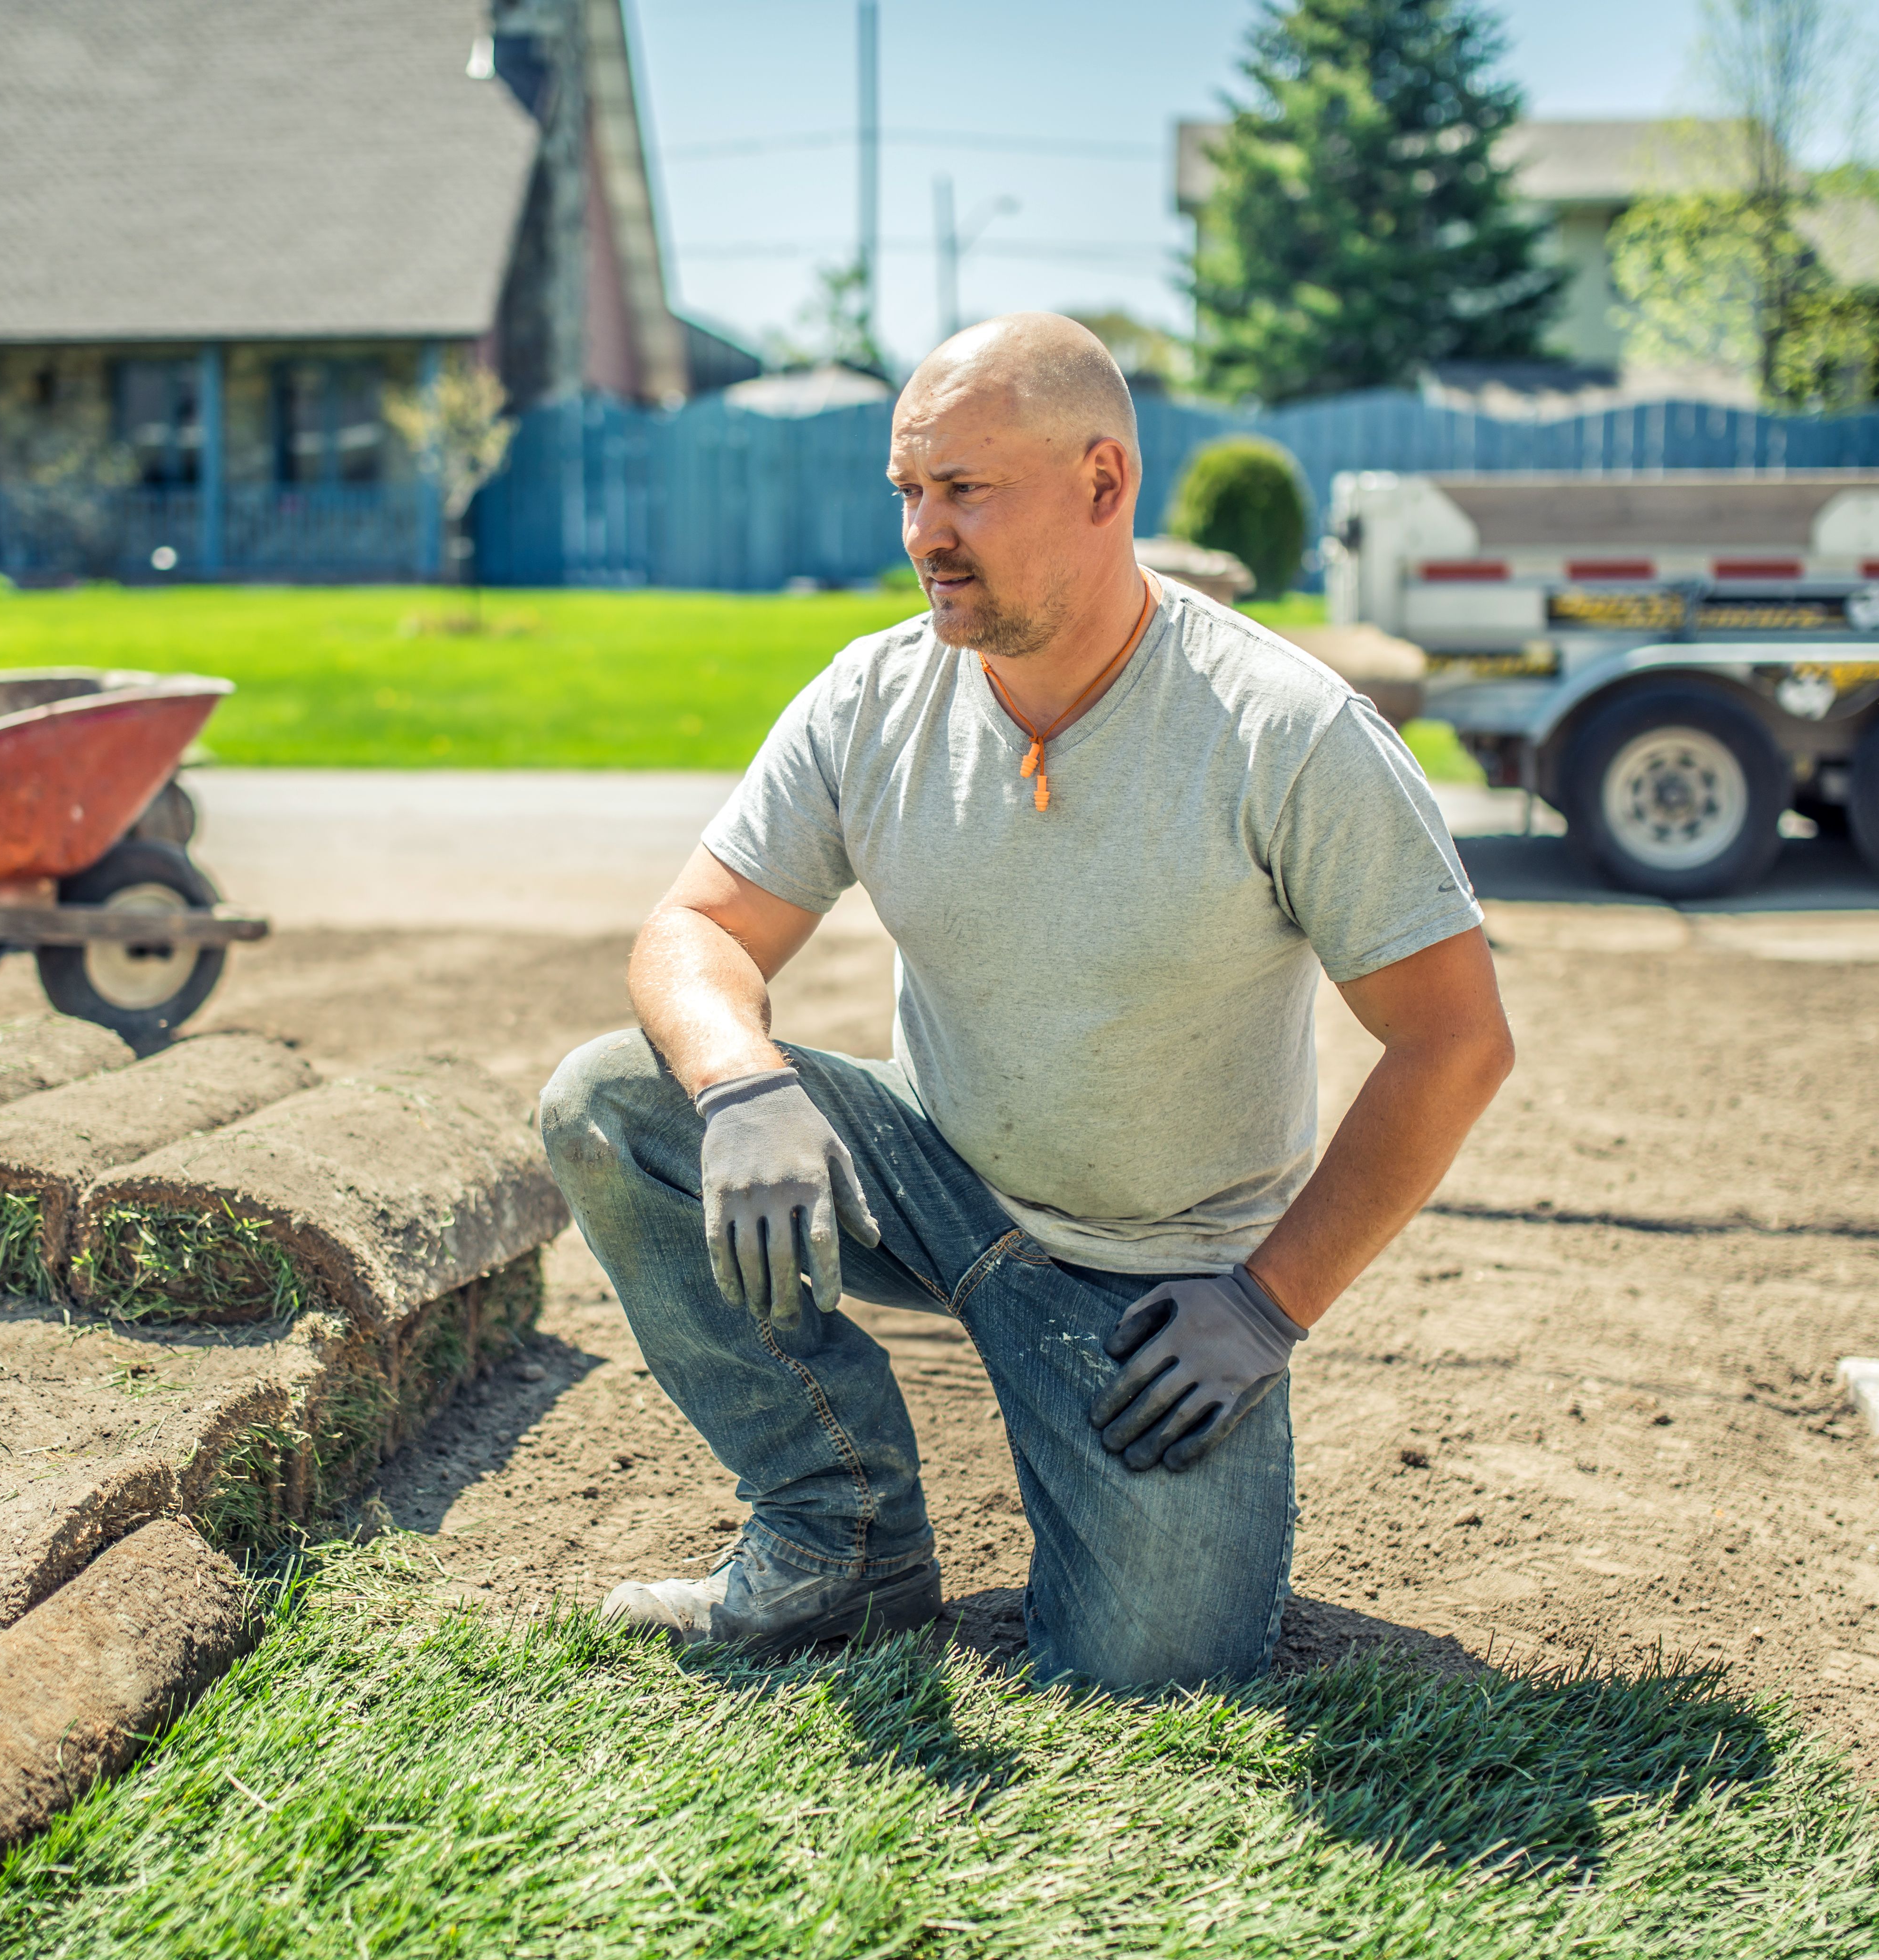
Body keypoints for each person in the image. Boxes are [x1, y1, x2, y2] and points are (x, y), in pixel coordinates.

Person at [537, 312, 1515, 1690]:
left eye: (966, 491)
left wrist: (1267, 1307)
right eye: (909, 492)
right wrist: (743, 1088)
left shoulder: (1285, 734)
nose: (924, 533)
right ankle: (839, 1538)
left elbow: (1454, 1042)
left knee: (1153, 1668)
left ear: (1104, 484)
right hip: (928, 1183)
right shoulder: (871, 697)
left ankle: (1123, 1470)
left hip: (1158, 1278)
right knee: (612, 1103)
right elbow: (696, 927)